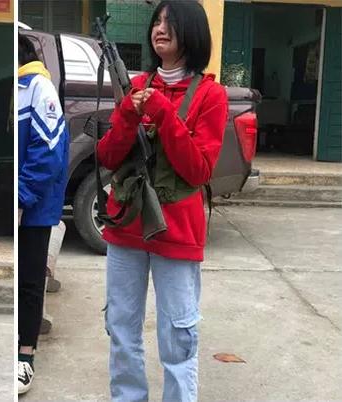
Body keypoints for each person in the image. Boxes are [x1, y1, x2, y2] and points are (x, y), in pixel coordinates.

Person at [97, 2, 228, 401]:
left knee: (178, 337)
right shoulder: (135, 87)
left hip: (177, 233)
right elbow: (108, 157)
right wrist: (127, 114)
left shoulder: (210, 95)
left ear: (193, 32)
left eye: (171, 22)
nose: (160, 28)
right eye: (157, 21)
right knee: (121, 330)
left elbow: (199, 170)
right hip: (126, 229)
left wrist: (163, 113)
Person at [17, 34, 69, 395]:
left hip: (33, 207)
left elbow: (48, 151)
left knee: (30, 282)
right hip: (21, 201)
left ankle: (25, 356)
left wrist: (22, 198)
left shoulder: (39, 88)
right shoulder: (19, 87)